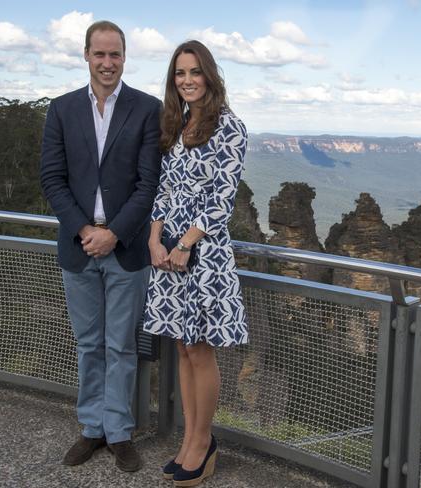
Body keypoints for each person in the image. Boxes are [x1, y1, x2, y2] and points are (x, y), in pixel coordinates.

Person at [40, 20, 161, 472]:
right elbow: (52, 179)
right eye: (99, 54)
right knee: (89, 344)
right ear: (86, 56)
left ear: (125, 57)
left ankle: (120, 431)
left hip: (126, 248)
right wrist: (83, 231)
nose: (107, 63)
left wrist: (114, 233)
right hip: (79, 247)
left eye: (115, 55)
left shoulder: (147, 109)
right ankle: (92, 429)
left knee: (122, 346)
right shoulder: (62, 109)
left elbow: (149, 183)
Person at [143, 40, 249, 486]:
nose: (186, 80)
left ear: (209, 75)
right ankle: (189, 440)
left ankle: (203, 444)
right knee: (183, 348)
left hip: (203, 255)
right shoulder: (179, 124)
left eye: (194, 72)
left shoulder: (230, 127)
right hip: (168, 253)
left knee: (201, 351)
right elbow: (165, 189)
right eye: (179, 73)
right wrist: (154, 238)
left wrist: (185, 243)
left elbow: (222, 199)